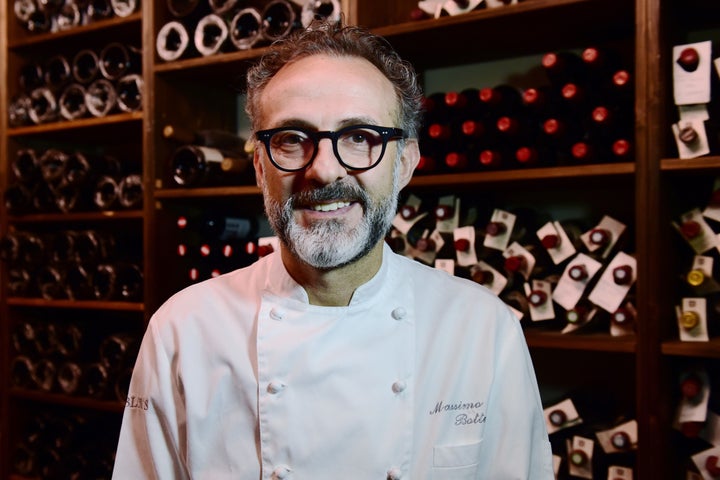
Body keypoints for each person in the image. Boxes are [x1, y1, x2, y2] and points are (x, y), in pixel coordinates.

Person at [112, 20, 554, 479]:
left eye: (360, 137)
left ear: (404, 163)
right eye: (291, 139)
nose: (324, 171)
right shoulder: (182, 331)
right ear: (261, 168)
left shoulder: (482, 330)